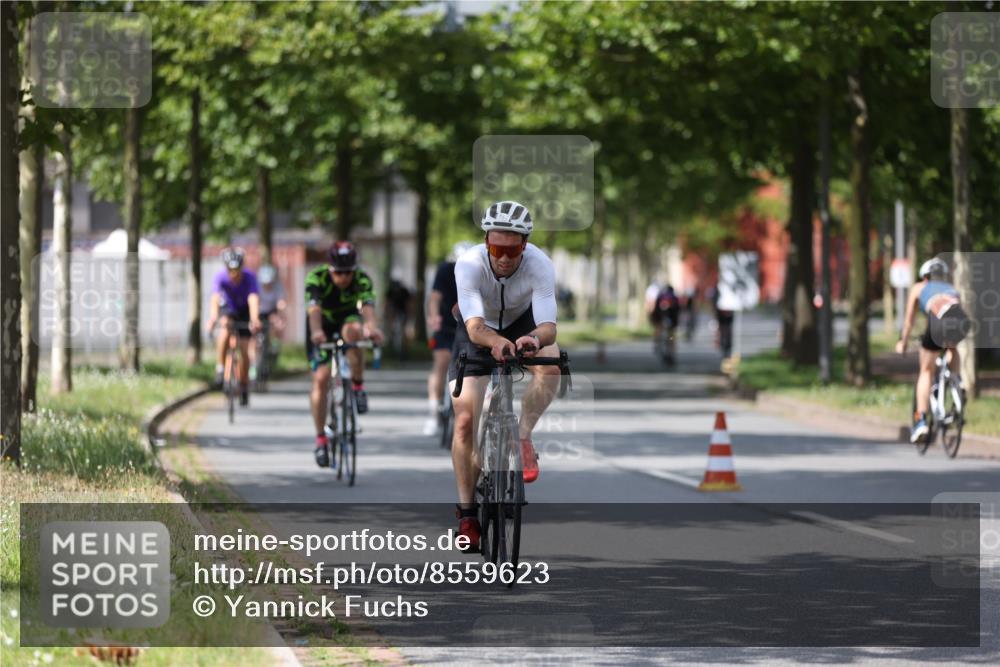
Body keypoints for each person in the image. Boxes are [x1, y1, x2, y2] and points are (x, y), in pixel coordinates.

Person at [450, 201, 561, 550]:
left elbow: (548, 327)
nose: (504, 258)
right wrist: (496, 342)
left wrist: (534, 339)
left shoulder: (540, 265)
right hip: (476, 331)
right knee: (465, 420)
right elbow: (474, 325)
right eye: (496, 248)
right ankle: (468, 514)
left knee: (552, 364)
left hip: (521, 324)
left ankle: (522, 438)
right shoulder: (469, 264)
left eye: (512, 250)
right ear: (486, 241)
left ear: (524, 245)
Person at [306, 241, 384, 468]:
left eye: (348, 272)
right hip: (322, 324)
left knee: (355, 332)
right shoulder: (316, 278)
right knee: (320, 380)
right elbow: (314, 310)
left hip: (347, 320)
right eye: (339, 273)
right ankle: (321, 438)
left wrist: (372, 327)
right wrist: (317, 332)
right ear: (330, 269)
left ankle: (358, 387)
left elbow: (368, 308)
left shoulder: (361, 278)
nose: (344, 278)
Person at [895, 257, 970, 443]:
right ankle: (956, 382)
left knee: (926, 371)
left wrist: (903, 342)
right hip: (961, 320)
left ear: (924, 276)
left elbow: (909, 321)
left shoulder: (919, 288)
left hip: (937, 322)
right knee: (951, 346)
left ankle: (920, 421)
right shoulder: (951, 288)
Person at [424, 241, 474, 436]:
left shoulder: (480, 270)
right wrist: (434, 316)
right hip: (446, 325)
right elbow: (435, 297)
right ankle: (433, 412)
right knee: (442, 361)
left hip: (471, 326)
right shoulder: (445, 270)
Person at [206, 247, 261, 406]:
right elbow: (215, 298)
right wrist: (213, 319)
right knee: (224, 329)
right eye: (231, 270)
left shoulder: (250, 277)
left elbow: (253, 299)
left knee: (244, 349)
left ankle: (244, 384)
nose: (234, 273)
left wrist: (255, 319)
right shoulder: (220, 277)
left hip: (244, 310)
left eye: (237, 269)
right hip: (228, 309)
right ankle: (221, 368)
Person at [250, 264, 287, 382]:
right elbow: (253, 302)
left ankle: (275, 345)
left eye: (269, 283)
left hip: (271, 311)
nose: (267, 285)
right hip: (258, 312)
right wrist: (254, 319)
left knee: (276, 326)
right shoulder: (256, 287)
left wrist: (280, 318)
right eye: (265, 283)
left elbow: (281, 304)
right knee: (254, 336)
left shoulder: (278, 286)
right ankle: (253, 364)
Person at [654, 284, 681, 363]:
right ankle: (671, 348)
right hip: (670, 319)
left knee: (660, 330)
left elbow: (655, 310)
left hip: (663, 318)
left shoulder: (660, 297)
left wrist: (656, 320)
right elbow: (678, 311)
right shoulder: (674, 298)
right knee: (671, 335)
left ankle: (657, 343)